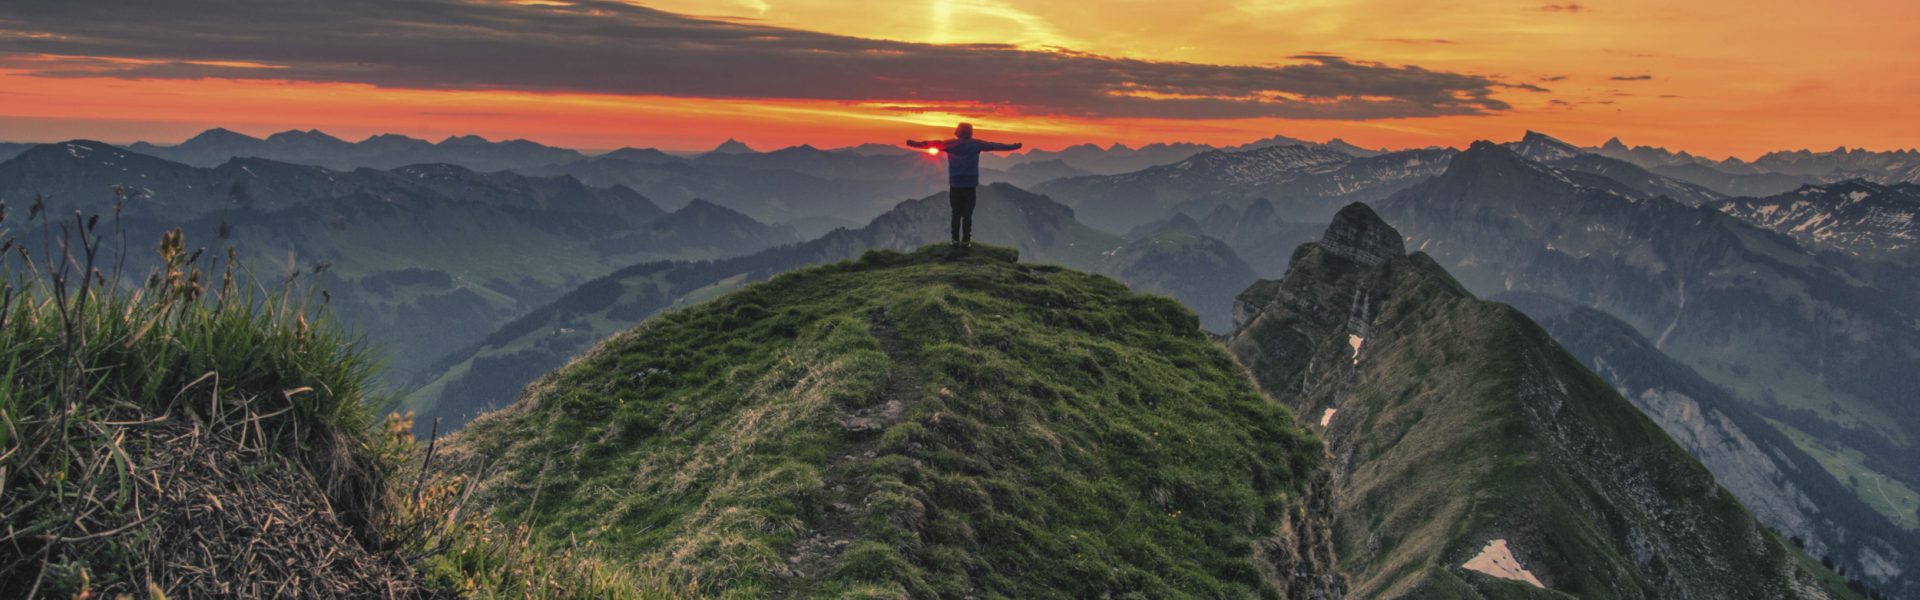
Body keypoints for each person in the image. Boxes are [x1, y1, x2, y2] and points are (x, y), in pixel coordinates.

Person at [906, 123, 1021, 245]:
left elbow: (931, 144)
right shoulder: (976, 144)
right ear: (970, 132)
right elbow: (995, 145)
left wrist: (913, 143)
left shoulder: (951, 144)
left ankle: (955, 240)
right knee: (967, 214)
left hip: (955, 184)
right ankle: (966, 241)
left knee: (956, 213)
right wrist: (1014, 146)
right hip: (970, 184)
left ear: (958, 132)